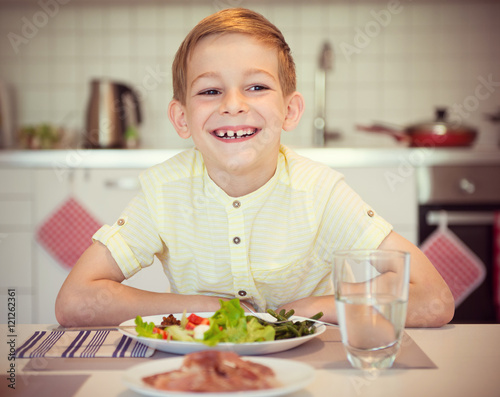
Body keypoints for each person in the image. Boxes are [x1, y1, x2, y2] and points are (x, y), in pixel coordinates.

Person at [55, 8, 454, 328]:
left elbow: (434, 299)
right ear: (181, 119)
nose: (233, 104)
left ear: (290, 110)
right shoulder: (165, 190)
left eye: (257, 87)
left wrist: (316, 307)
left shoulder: (320, 192)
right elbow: (74, 301)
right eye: (210, 91)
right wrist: (207, 306)